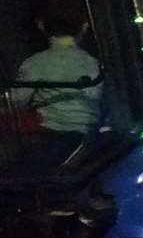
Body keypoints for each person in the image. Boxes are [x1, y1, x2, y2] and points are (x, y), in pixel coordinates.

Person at [9, 23, 101, 172]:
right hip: (93, 140)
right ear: (84, 27)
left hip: (52, 137)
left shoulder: (36, 63)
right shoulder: (94, 63)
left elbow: (16, 100)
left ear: (41, 26)